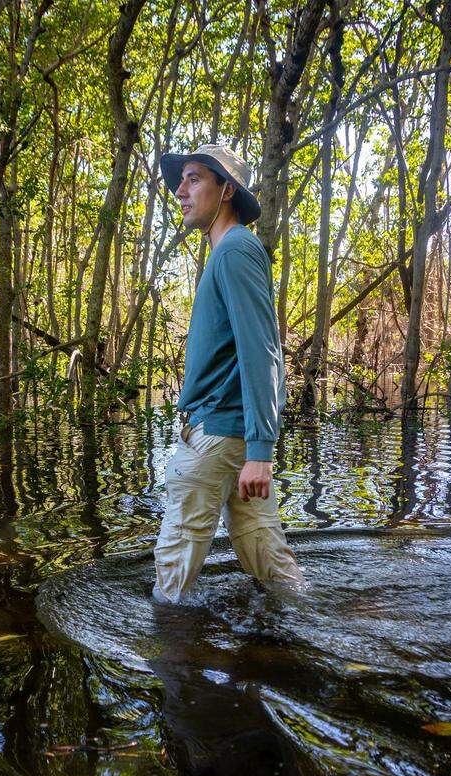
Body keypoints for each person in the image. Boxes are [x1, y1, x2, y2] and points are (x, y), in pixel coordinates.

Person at [152, 143, 304, 603]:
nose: (180, 189)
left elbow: (262, 350)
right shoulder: (230, 252)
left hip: (217, 435)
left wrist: (262, 449)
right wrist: (253, 445)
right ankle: (311, 634)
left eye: (194, 178)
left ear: (226, 191)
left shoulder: (236, 249)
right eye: (181, 180)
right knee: (267, 557)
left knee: (172, 577)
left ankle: (170, 665)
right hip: (233, 435)